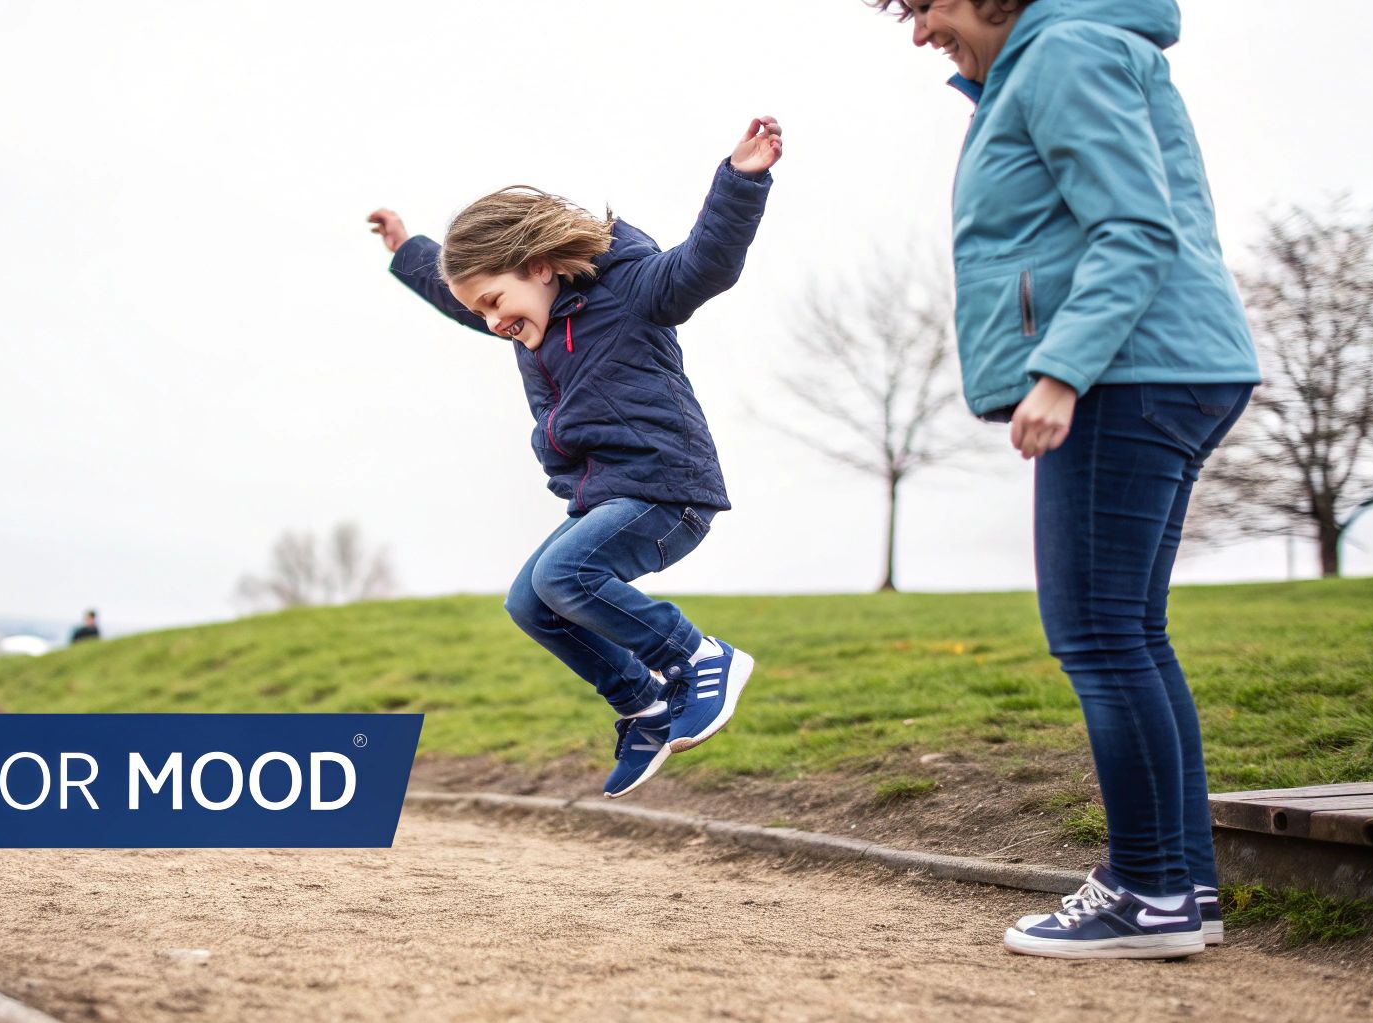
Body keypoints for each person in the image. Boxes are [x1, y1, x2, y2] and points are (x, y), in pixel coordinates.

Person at [871, 0, 1261, 959]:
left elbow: (1134, 227)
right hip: (1166, 364)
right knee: (1132, 634)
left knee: (1097, 637)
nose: (917, 32)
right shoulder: (1059, 56)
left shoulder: (1065, 53)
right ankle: (1180, 887)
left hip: (1129, 371)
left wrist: (1061, 372)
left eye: (923, 5)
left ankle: (1148, 891)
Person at [367, 117, 783, 799]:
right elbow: (462, 297)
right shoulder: (527, 316)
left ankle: (698, 657)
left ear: (539, 266)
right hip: (608, 496)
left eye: (495, 303)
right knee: (530, 602)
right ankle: (643, 705)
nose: (493, 322)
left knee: (566, 574)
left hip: (665, 489)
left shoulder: (631, 288)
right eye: (482, 313)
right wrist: (410, 248)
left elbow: (704, 263)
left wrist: (740, 181)